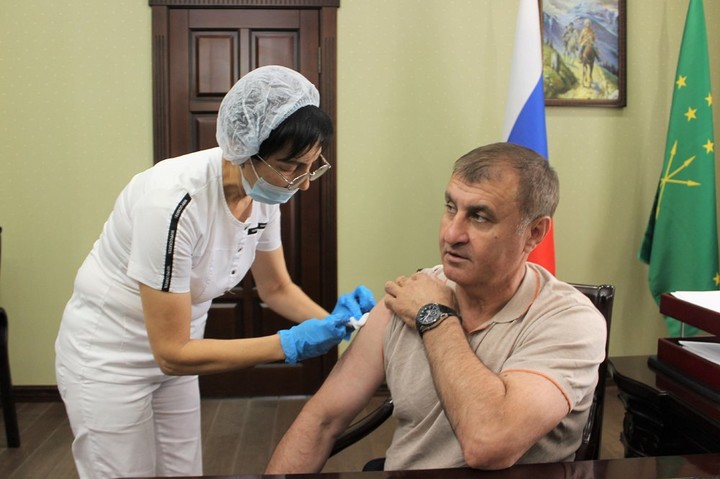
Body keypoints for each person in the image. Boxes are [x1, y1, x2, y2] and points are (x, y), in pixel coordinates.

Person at [54, 65, 375, 479]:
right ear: (247, 150)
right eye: (292, 167)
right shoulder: (172, 203)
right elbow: (171, 353)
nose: (303, 183)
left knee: (183, 471)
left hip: (184, 353)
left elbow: (276, 288)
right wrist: (289, 344)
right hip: (112, 357)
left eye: (312, 166)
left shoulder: (263, 194)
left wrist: (337, 322)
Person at [265, 142, 607, 472]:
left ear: (534, 233)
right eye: (450, 207)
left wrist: (435, 317)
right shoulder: (411, 295)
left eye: (480, 217)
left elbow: (488, 443)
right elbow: (322, 421)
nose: (452, 234)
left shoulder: (570, 321)